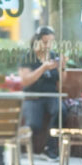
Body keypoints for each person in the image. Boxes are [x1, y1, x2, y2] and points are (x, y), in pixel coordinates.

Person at [18, 26, 63, 158]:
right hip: (33, 97)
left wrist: (62, 69)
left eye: (51, 42)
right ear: (36, 41)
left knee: (61, 111)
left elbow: (61, 84)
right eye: (45, 42)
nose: (48, 45)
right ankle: (26, 150)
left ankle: (51, 149)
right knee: (34, 124)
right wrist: (43, 68)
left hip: (51, 96)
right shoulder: (28, 57)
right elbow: (25, 81)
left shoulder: (54, 57)